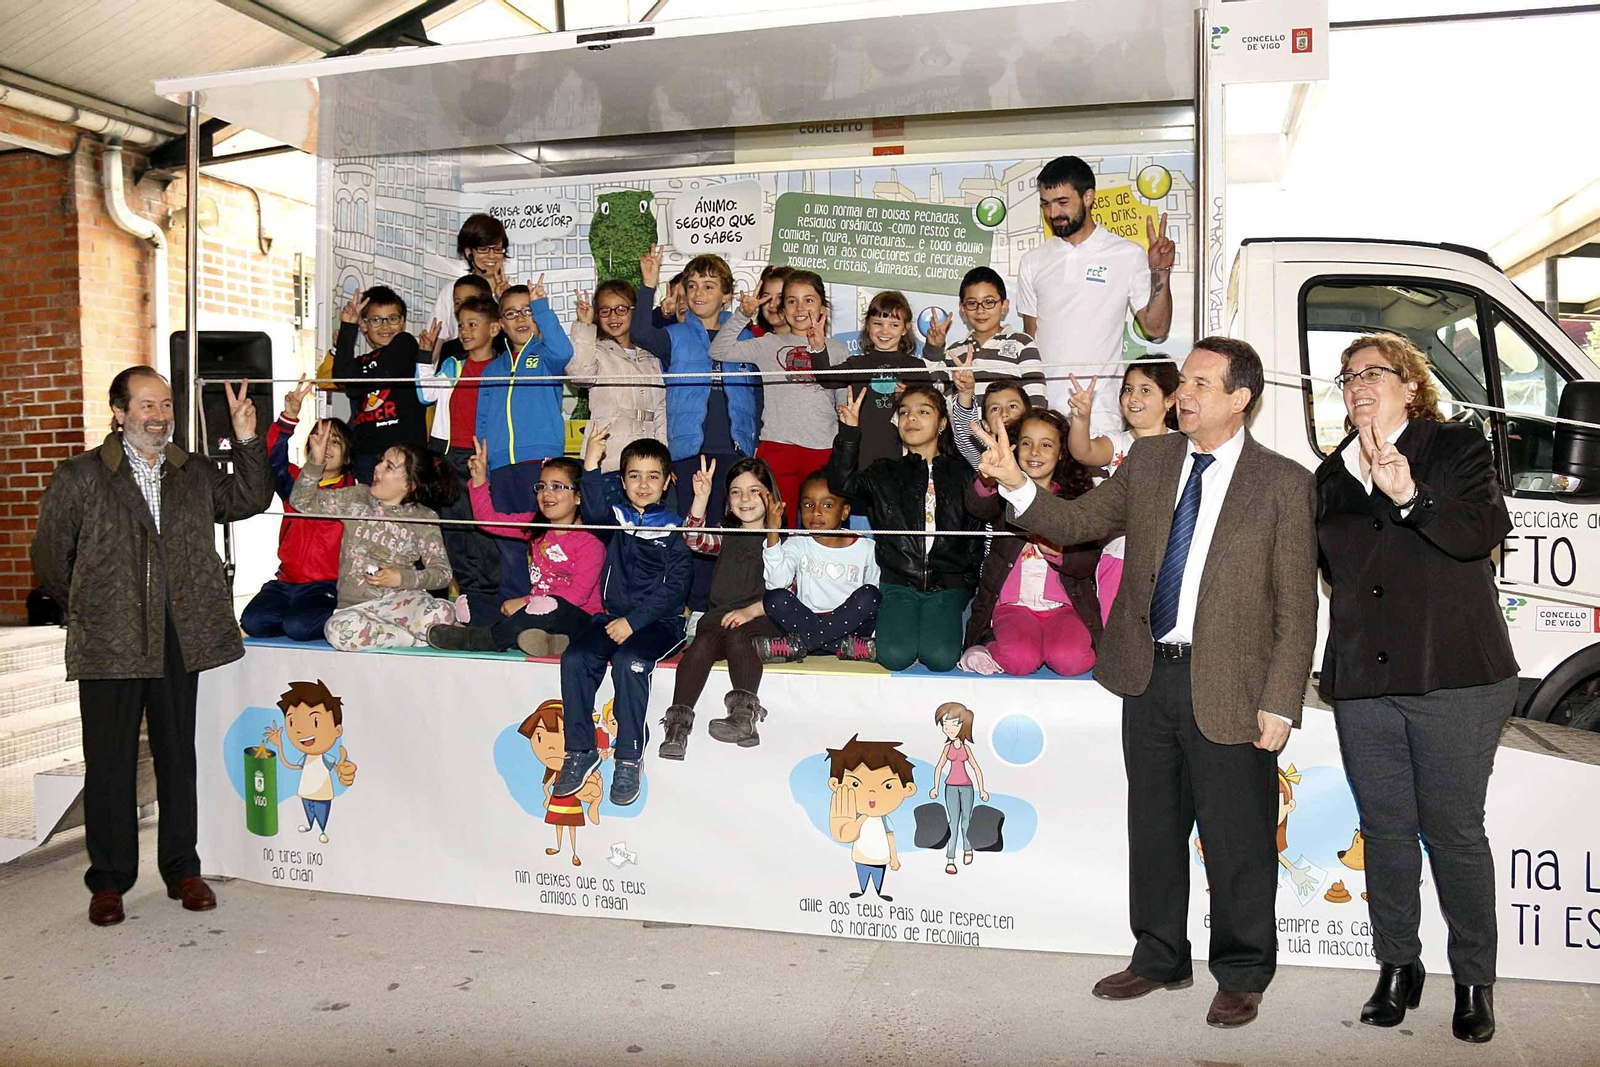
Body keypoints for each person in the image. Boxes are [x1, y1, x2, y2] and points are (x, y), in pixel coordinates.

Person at [970, 336, 1316, 1029]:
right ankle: (1159, 954)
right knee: (1154, 826)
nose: (1182, 394)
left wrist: (1282, 698)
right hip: (1149, 672)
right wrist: (1015, 482)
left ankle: (1243, 970)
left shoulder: (1283, 482)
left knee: (1237, 835)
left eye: (1200, 385)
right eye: (1181, 381)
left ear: (1240, 398)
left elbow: (1296, 604)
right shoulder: (1151, 459)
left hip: (1234, 686)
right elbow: (1074, 523)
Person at [1315, 332, 1516, 1044]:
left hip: (1454, 676)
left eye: (1374, 371)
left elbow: (1482, 529)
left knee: (1454, 832)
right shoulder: (1331, 474)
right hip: (1365, 683)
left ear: (1410, 385)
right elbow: (1326, 572)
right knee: (1388, 832)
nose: (1357, 383)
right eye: (1347, 376)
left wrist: (1410, 493)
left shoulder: (1455, 448)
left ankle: (1473, 979)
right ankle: (1398, 965)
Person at [31, 367, 272, 926]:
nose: (159, 415)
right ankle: (110, 881)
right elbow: (50, 557)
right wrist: (92, 609)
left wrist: (246, 437)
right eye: (146, 405)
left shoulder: (191, 472)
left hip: (178, 637)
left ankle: (182, 869)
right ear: (118, 412)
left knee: (176, 758)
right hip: (109, 641)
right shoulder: (81, 476)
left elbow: (251, 497)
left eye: (165, 404)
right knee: (110, 765)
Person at [550, 432, 691, 808]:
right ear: (623, 479)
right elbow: (594, 510)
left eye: (652, 476)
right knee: (576, 658)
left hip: (660, 623)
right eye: (633, 475)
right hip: (612, 619)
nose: (643, 484)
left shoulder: (676, 528)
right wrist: (591, 465)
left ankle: (628, 756)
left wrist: (635, 621)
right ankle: (580, 751)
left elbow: (675, 590)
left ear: (666, 481)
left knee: (630, 664)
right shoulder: (617, 518)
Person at [629, 247, 758, 615]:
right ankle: (699, 611)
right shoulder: (675, 335)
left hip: (736, 451)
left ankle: (733, 608)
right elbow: (640, 331)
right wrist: (649, 283)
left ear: (727, 294)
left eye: (709, 285)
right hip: (690, 451)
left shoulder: (747, 337)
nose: (699, 293)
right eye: (692, 285)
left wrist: (753, 442)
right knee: (695, 533)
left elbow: (760, 394)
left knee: (732, 533)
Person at [827, 383, 983, 673]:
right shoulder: (884, 471)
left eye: (923, 411)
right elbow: (841, 484)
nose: (911, 418)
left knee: (941, 658)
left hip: (947, 586)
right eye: (904, 412)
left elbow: (975, 530)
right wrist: (849, 432)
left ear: (942, 424)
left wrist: (965, 584)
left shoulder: (962, 472)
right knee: (895, 656)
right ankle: (879, 637)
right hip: (898, 583)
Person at [1016, 155, 1176, 436]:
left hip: (1101, 412)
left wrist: (1160, 270)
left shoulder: (1126, 253)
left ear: (1088, 197)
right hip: (1044, 414)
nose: (1053, 213)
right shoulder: (1032, 261)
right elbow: (1031, 341)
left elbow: (1156, 329)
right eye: (1046, 204)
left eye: (1062, 202)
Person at [658, 456, 784, 760]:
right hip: (719, 619)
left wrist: (750, 611)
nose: (745, 499)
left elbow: (786, 590)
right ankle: (677, 726)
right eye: (736, 492)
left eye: (755, 491)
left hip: (761, 617)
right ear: (727, 502)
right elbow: (694, 539)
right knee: (700, 645)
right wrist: (700, 499)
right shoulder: (726, 535)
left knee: (741, 636)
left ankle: (744, 716)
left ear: (771, 496)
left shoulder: (783, 539)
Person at [960, 408, 1101, 678]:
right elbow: (977, 505)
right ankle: (986, 647)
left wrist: (1060, 553)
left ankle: (1046, 646)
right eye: (1026, 443)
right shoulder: (1005, 494)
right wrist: (988, 478)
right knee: (1020, 661)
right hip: (1014, 606)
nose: (1035, 452)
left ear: (1061, 452)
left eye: (1046, 445)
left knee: (1072, 661)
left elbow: (1086, 561)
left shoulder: (1076, 503)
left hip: (1063, 608)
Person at [290, 426, 458, 651]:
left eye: (389, 466)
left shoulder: (424, 517)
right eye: (381, 461)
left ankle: (423, 631)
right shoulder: (356, 497)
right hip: (356, 609)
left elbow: (443, 574)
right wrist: (315, 461)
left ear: (409, 484)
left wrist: (402, 578)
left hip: (402, 602)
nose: (377, 467)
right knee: (337, 631)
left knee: (442, 612)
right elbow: (301, 502)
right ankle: (414, 639)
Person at [425, 449, 603, 656]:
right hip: (534, 610)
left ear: (579, 497)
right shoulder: (535, 525)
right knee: (470, 604)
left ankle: (483, 639)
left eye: (557, 487)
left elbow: (577, 596)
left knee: (545, 608)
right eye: (541, 487)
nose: (546, 493)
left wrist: (526, 602)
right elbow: (487, 522)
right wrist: (480, 481)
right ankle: (544, 640)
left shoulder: (590, 541)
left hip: (575, 616)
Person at [712, 271, 852, 526]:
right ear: (782, 308)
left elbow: (844, 406)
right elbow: (718, 350)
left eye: (808, 300)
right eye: (791, 301)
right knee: (778, 527)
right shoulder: (768, 343)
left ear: (823, 305)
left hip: (823, 450)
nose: (800, 308)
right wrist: (743, 314)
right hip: (777, 447)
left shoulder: (838, 349)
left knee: (824, 525)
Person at [480, 279, 576, 606]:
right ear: (500, 324)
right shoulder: (493, 369)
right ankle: (511, 605)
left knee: (541, 539)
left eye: (526, 311)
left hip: (538, 463)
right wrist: (484, 462)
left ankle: (545, 605)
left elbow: (565, 350)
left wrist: (542, 307)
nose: (521, 319)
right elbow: (484, 417)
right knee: (508, 541)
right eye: (511, 313)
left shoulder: (546, 356)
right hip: (501, 466)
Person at [240, 377, 355, 641]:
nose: (325, 446)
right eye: (319, 438)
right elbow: (270, 458)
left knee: (299, 627)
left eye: (334, 442)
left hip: (326, 585)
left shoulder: (354, 491)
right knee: (252, 622)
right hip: (285, 582)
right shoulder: (295, 480)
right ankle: (294, 615)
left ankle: (328, 614)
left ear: (348, 456)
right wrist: (288, 417)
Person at [1067, 354, 1180, 624]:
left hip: (1167, 562)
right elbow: (1083, 452)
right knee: (1115, 630)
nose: (1134, 398)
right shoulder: (1118, 442)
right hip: (1118, 559)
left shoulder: (1184, 445)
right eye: (1128, 389)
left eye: (1145, 390)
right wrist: (1081, 419)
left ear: (1170, 400)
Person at [418, 293, 506, 621]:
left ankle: (490, 598)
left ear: (495, 328)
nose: (465, 331)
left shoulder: (502, 368)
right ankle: (469, 598)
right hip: (449, 458)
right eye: (461, 325)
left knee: (484, 530)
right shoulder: (453, 365)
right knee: (453, 530)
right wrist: (425, 354)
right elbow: (424, 393)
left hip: (484, 460)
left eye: (473, 324)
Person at [757, 470, 881, 663]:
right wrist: (773, 532)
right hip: (805, 621)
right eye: (808, 504)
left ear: (845, 512)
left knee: (870, 595)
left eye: (827, 505)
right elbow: (776, 583)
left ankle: (801, 645)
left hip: (851, 626)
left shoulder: (866, 548)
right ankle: (841, 647)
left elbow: (873, 601)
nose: (816, 512)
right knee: (774, 598)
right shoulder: (798, 542)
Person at [815, 290, 934, 469]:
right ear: (868, 325)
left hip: (902, 458)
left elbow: (932, 408)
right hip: (861, 456)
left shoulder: (915, 365)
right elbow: (826, 379)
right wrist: (818, 348)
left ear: (905, 329)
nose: (884, 331)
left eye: (894, 325)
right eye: (878, 323)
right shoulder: (857, 363)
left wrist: (911, 399)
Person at [333, 287, 439, 484]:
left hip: (404, 454)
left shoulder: (405, 344)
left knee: (402, 512)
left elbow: (381, 374)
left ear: (403, 323)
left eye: (392, 319)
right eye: (376, 320)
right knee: (368, 511)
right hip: (365, 455)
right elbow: (340, 377)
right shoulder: (360, 361)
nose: (385, 326)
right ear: (364, 325)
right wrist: (348, 326)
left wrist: (355, 382)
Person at [568, 281, 667, 471]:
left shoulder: (651, 354)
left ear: (635, 311)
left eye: (621, 309)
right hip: (609, 460)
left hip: (649, 462)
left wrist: (664, 455)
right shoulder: (594, 349)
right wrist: (584, 325)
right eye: (605, 310)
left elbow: (661, 409)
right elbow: (580, 376)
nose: (613, 316)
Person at [923, 267, 1047, 407]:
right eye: (971, 303)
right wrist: (934, 347)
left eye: (989, 302)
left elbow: (1036, 400)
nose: (980, 310)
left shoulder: (1022, 343)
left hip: (1010, 428)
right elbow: (934, 390)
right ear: (962, 308)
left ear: (1004, 306)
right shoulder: (954, 352)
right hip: (966, 428)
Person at [263, 680, 357, 845]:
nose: (301, 730)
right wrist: (279, 745)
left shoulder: (325, 758)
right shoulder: (306, 758)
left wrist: (343, 770)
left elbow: (336, 767)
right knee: (308, 808)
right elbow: (290, 765)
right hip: (306, 790)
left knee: (321, 810)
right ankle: (310, 825)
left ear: (337, 730)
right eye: (291, 723)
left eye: (315, 722)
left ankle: (322, 830)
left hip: (322, 792)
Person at [826, 735, 917, 902]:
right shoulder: (855, 816)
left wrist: (894, 858)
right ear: (835, 785)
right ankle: (861, 891)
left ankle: (878, 891)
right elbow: (848, 833)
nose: (872, 793)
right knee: (861, 872)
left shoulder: (883, 819)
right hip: (861, 854)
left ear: (908, 789)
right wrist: (856, 822)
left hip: (881, 856)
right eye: (855, 784)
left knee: (877, 874)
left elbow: (890, 836)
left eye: (888, 786)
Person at [429, 212, 515, 361]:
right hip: (461, 373)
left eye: (497, 249)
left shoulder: (513, 294)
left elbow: (524, 343)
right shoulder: (452, 291)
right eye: (483, 249)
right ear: (469, 252)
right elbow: (432, 351)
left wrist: (505, 302)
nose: (491, 256)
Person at [928, 703, 989, 875]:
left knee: (966, 820)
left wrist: (982, 789)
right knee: (952, 822)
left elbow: (976, 768)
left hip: (967, 787)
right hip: (951, 787)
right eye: (945, 725)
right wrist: (935, 787)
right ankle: (950, 858)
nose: (948, 728)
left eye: (953, 724)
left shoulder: (966, 748)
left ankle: (968, 848)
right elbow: (939, 767)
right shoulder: (947, 748)